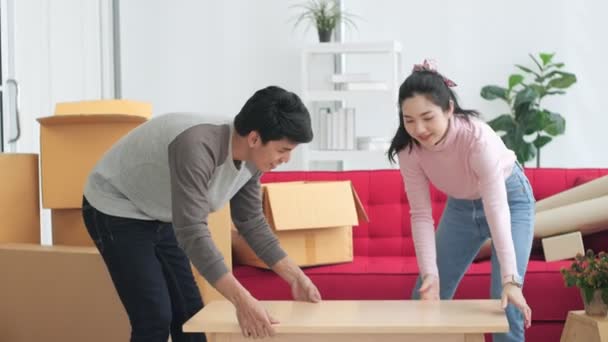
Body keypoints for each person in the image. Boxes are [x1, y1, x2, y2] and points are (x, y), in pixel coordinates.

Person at [82, 85, 322, 342]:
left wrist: (296, 277)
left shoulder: (254, 160)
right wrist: (242, 300)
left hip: (160, 211)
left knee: (191, 317)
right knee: (154, 319)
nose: (286, 160)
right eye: (283, 150)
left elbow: (250, 221)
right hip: (116, 206)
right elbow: (192, 231)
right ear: (254, 139)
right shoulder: (197, 147)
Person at [387, 60, 534, 342]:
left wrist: (510, 280)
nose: (419, 129)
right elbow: (420, 214)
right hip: (461, 207)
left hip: (510, 201)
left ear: (449, 109)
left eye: (428, 117)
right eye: (409, 120)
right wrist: (430, 273)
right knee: (425, 294)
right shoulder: (409, 149)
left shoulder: (477, 140)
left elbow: (496, 207)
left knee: (504, 304)